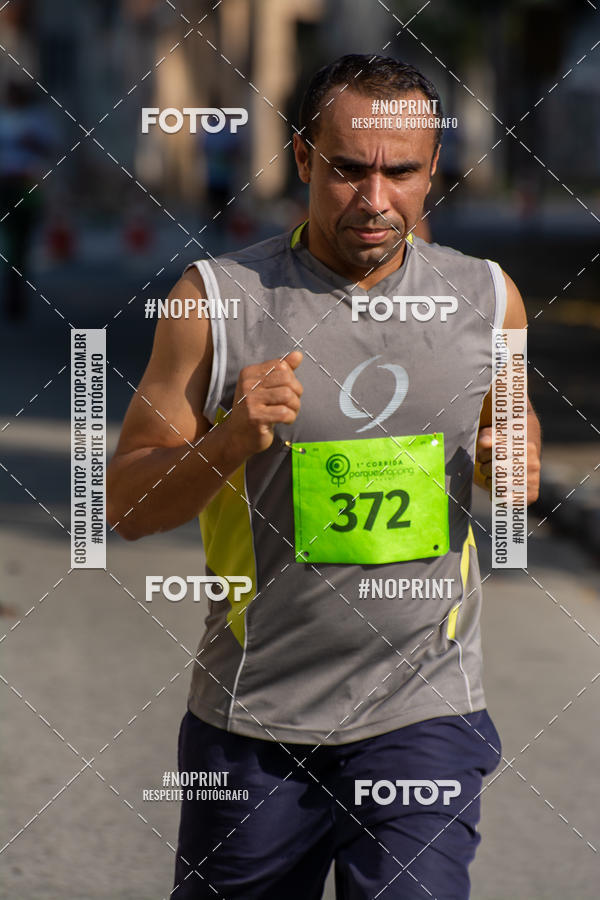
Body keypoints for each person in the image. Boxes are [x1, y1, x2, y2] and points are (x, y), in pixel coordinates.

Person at [107, 54, 541, 899]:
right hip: (254, 722)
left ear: (433, 172)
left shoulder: (490, 299)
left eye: (402, 172)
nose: (375, 200)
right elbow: (123, 506)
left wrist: (510, 465)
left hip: (424, 711)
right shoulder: (215, 302)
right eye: (348, 169)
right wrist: (230, 440)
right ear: (303, 158)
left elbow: (508, 443)